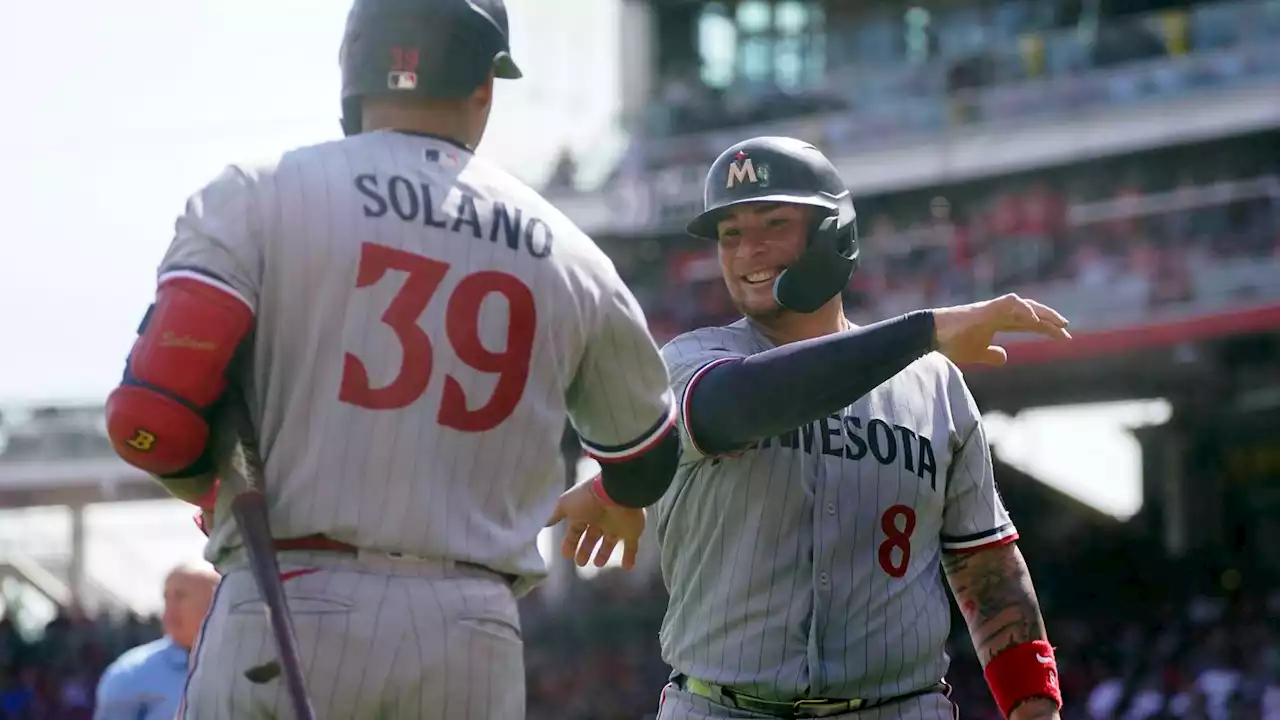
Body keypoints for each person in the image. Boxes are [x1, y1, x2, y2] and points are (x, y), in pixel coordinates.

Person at [100, 0, 680, 717]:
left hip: (286, 594)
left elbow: (149, 417)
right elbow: (647, 455)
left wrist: (206, 486)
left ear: (355, 73)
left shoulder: (254, 193)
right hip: (470, 631)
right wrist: (617, 495)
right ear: (484, 87)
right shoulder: (575, 254)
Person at [566, 136, 1072, 720]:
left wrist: (1035, 709)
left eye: (773, 223)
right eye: (730, 234)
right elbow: (736, 406)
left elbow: (986, 564)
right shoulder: (689, 360)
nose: (748, 250)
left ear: (836, 233)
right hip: (722, 708)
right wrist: (923, 331)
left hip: (899, 707)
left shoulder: (935, 385)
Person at [93, 564, 218, 720]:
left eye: (180, 596)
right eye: (167, 597)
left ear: (215, 602)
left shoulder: (242, 664)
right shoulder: (131, 674)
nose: (170, 608)